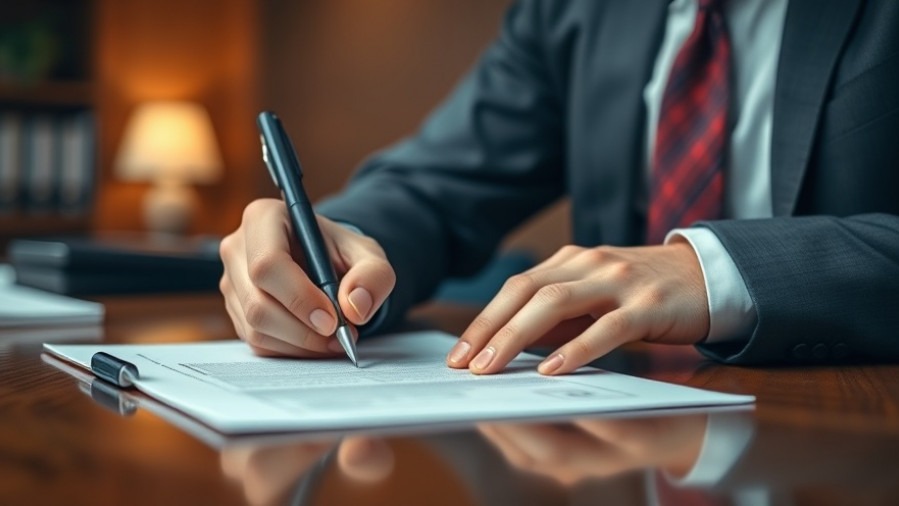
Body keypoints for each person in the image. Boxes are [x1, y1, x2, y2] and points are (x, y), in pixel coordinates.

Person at [219, 0, 899, 374]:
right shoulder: (573, 11)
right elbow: (435, 188)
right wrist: (332, 253)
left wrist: (716, 271)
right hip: (610, 431)